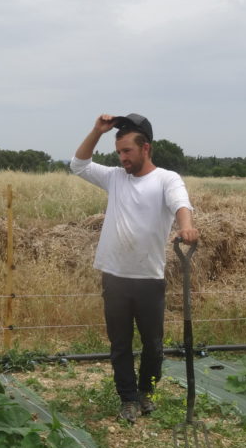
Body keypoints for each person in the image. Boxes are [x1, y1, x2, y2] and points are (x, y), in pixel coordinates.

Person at [70, 113, 199, 423]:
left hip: (148, 278)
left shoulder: (167, 179)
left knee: (153, 345)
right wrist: (97, 131)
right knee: (120, 345)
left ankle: (146, 393)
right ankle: (128, 398)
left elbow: (181, 203)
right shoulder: (115, 177)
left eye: (127, 151)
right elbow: (79, 165)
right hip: (114, 275)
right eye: (119, 152)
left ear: (146, 149)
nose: (122, 158)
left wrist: (187, 227)